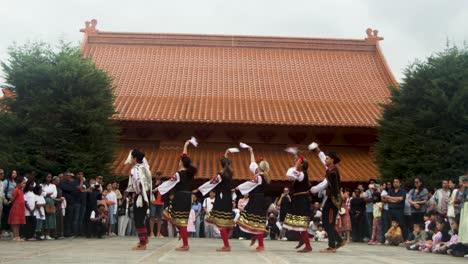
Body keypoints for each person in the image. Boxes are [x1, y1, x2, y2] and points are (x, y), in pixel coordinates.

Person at [157, 140, 197, 251]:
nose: (178, 162)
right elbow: (184, 157)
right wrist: (185, 145)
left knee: (170, 215)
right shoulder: (189, 173)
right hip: (187, 197)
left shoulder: (179, 174)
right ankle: (182, 234)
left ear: (182, 163)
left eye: (180, 161)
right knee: (177, 217)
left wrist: (158, 188)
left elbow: (169, 183)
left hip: (180, 197)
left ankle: (185, 243)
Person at [195, 149, 235, 251]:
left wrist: (199, 189)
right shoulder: (230, 173)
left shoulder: (220, 175)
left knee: (220, 222)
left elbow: (211, 183)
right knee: (224, 220)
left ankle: (226, 245)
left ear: (221, 165)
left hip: (221, 198)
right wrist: (226, 153)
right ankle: (229, 234)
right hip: (227, 198)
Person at [309, 144, 345, 253]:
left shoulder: (332, 173)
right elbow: (323, 158)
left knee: (329, 223)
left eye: (327, 158)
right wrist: (318, 151)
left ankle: (332, 246)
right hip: (330, 200)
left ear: (332, 160)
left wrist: (311, 190)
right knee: (326, 221)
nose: (325, 159)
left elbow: (324, 185)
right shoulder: (331, 169)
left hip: (333, 201)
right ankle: (339, 241)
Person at [236, 146, 270, 252]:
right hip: (255, 200)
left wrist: (238, 188)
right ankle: (254, 236)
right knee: (249, 219)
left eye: (258, 166)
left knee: (257, 222)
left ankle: (261, 244)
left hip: (257, 201)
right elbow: (252, 164)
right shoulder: (260, 174)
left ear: (260, 167)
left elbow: (249, 183)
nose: (256, 167)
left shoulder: (259, 177)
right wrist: (251, 151)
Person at [283, 154, 312, 253]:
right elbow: (290, 175)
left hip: (301, 201)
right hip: (297, 200)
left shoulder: (302, 174)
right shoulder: (300, 174)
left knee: (301, 224)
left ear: (301, 165)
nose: (295, 163)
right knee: (292, 223)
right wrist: (297, 163)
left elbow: (289, 174)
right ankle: (302, 240)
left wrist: (297, 164)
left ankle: (308, 245)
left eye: (298, 162)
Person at [125, 149, 153, 250]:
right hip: (146, 196)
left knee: (138, 220)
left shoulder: (135, 169)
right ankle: (144, 239)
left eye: (131, 157)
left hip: (140, 196)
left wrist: (137, 192)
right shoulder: (145, 168)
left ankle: (142, 243)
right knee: (140, 219)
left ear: (135, 158)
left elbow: (137, 182)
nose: (131, 159)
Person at [8, 176, 25, 241]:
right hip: (16, 208)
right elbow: (12, 199)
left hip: (20, 208)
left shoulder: (21, 190)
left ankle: (17, 236)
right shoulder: (16, 190)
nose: (24, 184)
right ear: (18, 183)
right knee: (15, 223)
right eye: (23, 183)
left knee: (18, 223)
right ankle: (15, 236)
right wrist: (9, 201)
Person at [1, 170, 17, 237]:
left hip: (13, 200)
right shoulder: (6, 181)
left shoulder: (15, 182)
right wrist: (4, 198)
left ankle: (9, 230)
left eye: (15, 173)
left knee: (11, 215)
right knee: (5, 215)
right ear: (10, 174)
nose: (14, 174)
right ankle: (3, 230)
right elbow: (2, 190)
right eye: (13, 173)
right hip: (7, 199)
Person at [41, 173, 57, 240]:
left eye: (50, 177)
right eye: (48, 177)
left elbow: (54, 194)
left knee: (50, 217)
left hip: (50, 202)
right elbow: (41, 193)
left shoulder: (53, 186)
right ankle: (42, 234)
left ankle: (48, 234)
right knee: (43, 217)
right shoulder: (41, 185)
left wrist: (48, 194)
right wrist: (46, 194)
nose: (49, 178)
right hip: (43, 201)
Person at [150, 172, 165, 238]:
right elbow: (150, 190)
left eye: (160, 175)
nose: (159, 176)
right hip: (153, 201)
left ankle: (158, 232)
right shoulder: (152, 183)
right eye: (158, 175)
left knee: (160, 218)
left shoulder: (164, 183)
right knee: (152, 217)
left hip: (161, 202)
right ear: (155, 176)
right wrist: (156, 184)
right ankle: (151, 232)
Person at [458, 175, 468, 243]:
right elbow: (461, 198)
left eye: (460, 182)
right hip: (464, 207)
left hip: (467, 207)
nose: (459, 183)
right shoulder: (464, 189)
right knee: (464, 226)